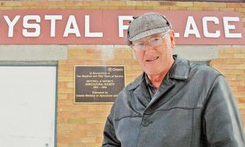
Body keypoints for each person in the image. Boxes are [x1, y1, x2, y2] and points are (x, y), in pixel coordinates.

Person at [102, 12, 245, 147]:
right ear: (133, 49)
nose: (149, 50)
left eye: (155, 40)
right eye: (140, 44)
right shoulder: (125, 99)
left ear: (171, 39)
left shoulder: (207, 82)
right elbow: (111, 142)